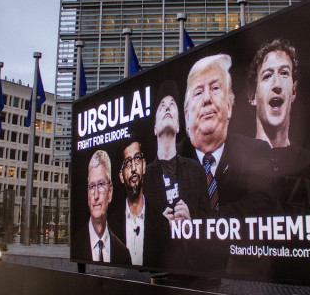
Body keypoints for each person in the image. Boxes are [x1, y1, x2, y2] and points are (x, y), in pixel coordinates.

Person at [178, 54, 270, 217]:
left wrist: (198, 223)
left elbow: (262, 205)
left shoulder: (255, 152)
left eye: (215, 88)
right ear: (186, 116)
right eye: (198, 92)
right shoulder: (170, 163)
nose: (207, 98)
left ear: (229, 107)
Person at [246, 39, 310, 213]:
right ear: (252, 95)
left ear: (293, 91)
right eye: (267, 76)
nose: (277, 85)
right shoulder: (234, 165)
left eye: (284, 73)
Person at [142, 80, 210, 268]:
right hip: (157, 271)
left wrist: (190, 225)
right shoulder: (144, 178)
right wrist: (161, 228)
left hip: (193, 271)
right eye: (162, 106)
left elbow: (209, 229)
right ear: (155, 128)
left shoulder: (196, 170)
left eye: (172, 104)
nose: (167, 107)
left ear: (179, 125)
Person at [73, 150, 131, 264]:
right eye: (92, 186)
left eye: (100, 185)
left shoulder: (123, 254)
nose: (95, 196)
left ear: (110, 192)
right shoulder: (74, 247)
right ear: (87, 195)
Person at [110, 139, 162, 266]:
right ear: (121, 176)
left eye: (137, 159)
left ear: (143, 166)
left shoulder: (161, 224)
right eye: (128, 162)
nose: (134, 168)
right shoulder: (110, 226)